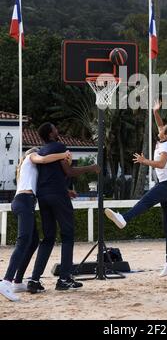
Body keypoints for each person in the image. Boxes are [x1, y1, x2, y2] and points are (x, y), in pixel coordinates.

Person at [105, 100, 167, 277]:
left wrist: (144, 161)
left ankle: (124, 218)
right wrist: (156, 111)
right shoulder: (166, 140)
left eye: (163, 129)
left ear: (166, 135)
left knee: (146, 201)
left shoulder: (166, 146)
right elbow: (159, 123)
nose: (161, 129)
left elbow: (161, 164)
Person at [27, 122, 100, 293]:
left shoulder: (41, 151)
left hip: (43, 197)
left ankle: (34, 280)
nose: (57, 130)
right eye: (55, 128)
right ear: (51, 134)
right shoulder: (59, 146)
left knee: (48, 238)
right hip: (57, 196)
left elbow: (49, 176)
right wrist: (91, 168)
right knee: (68, 235)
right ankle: (64, 279)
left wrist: (66, 190)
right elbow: (69, 172)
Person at [0, 147, 71, 302]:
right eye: (40, 152)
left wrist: (65, 191)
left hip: (25, 202)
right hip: (24, 202)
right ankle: (6, 281)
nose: (42, 154)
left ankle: (18, 282)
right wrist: (63, 154)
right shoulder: (31, 156)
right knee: (23, 241)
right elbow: (44, 159)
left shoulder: (31, 170)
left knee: (32, 242)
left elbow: (45, 187)